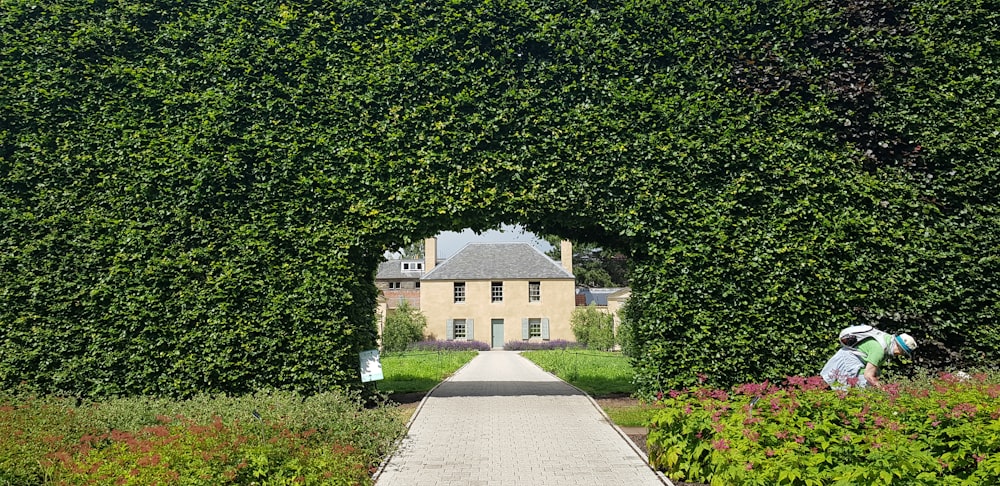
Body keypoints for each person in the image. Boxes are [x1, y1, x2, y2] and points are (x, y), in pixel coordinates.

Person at [820, 330, 917, 390]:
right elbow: (868, 375)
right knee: (842, 391)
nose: (901, 354)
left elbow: (873, 370)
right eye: (902, 351)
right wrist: (883, 390)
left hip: (853, 360)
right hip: (847, 362)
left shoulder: (886, 343)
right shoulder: (879, 350)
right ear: (898, 345)